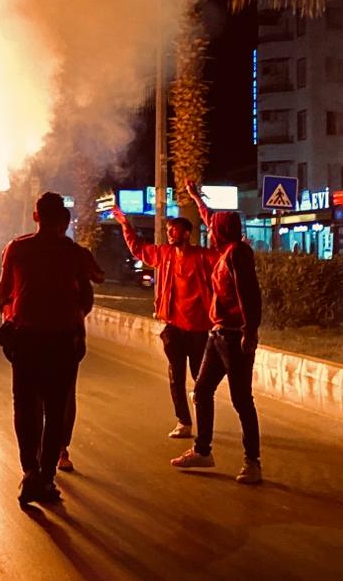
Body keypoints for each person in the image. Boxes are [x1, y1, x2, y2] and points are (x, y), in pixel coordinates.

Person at [0, 191, 102, 507]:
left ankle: (30, 471)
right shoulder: (73, 253)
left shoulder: (17, 248)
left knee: (25, 407)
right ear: (65, 221)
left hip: (26, 341)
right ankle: (46, 477)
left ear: (35, 216)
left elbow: (2, 295)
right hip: (62, 342)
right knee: (56, 410)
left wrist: (10, 319)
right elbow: (93, 286)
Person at [171, 206, 264, 485]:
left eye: (212, 227)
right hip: (218, 334)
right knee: (201, 391)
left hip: (234, 337)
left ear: (222, 230)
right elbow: (208, 215)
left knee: (241, 400)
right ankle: (202, 451)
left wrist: (250, 331)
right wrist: (197, 199)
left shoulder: (238, 253)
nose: (208, 231)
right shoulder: (226, 252)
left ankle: (252, 462)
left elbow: (249, 293)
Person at [113, 197, 218, 439]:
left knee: (200, 381)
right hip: (174, 327)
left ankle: (203, 424)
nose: (170, 233)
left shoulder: (202, 257)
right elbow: (139, 248)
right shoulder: (164, 254)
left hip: (200, 328)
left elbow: (220, 243)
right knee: (175, 375)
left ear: (187, 233)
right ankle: (184, 421)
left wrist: (198, 202)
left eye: (175, 230)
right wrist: (125, 225)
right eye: (169, 230)